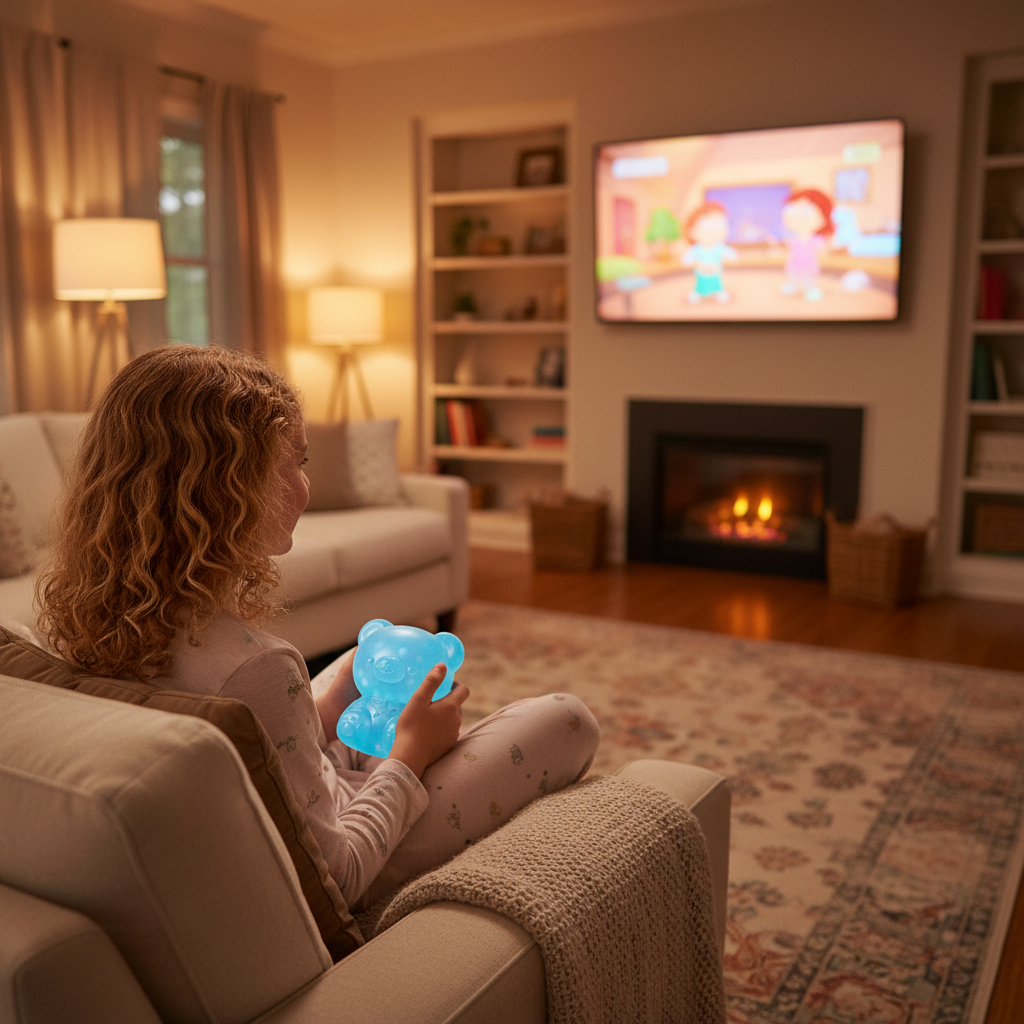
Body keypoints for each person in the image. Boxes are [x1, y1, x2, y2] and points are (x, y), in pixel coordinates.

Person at [36, 345, 599, 911]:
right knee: (567, 719)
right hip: (354, 861)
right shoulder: (255, 667)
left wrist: (325, 702)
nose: (305, 486)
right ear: (229, 487)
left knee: (352, 666)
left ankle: (365, 737)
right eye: (297, 463)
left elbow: (254, 741)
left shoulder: (65, 623)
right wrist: (410, 755)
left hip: (278, 806)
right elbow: (338, 878)